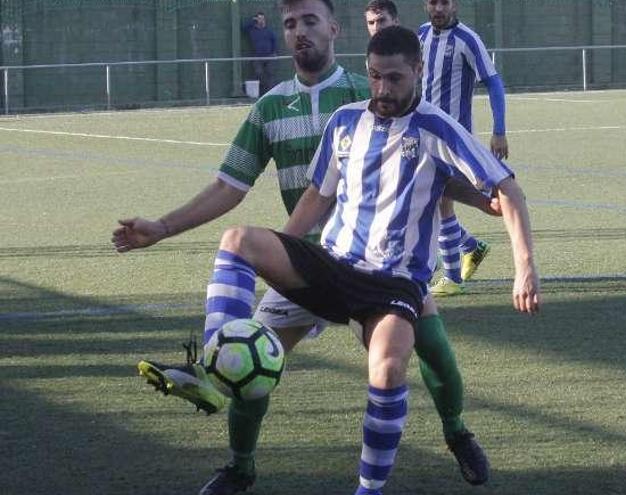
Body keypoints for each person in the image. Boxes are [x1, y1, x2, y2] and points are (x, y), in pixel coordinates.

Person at [113, 1, 493, 493]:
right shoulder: (269, 107)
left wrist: (484, 199)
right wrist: (162, 227)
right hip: (303, 262)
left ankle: (456, 432)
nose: (299, 32)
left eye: (310, 21)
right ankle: (240, 465)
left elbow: (433, 168)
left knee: (435, 354)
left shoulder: (374, 89)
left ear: (335, 29)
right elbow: (229, 186)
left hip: (380, 265)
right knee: (248, 361)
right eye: (290, 23)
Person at [194, 25, 539, 495]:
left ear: (417, 70)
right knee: (241, 266)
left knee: (399, 364)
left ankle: (412, 461)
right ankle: (234, 437)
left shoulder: (437, 127)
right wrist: (285, 256)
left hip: (393, 283)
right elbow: (317, 195)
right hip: (332, 263)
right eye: (375, 77)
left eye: (394, 78)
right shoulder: (345, 120)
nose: (382, 89)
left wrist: (524, 268)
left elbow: (508, 188)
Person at [420, 0, 510, 297]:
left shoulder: (467, 40)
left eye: (444, 2)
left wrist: (499, 131)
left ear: (454, 5)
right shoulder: (421, 35)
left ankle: (452, 276)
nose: (438, 9)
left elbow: (494, 83)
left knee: (440, 201)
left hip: (452, 140)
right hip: (421, 135)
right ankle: (470, 247)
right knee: (428, 202)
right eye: (433, 2)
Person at [241, 11, 278, 96]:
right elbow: (242, 27)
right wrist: (252, 20)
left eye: (263, 19)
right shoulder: (252, 30)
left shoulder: (269, 30)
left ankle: (271, 94)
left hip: (269, 56)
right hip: (257, 56)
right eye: (259, 19)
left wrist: (274, 52)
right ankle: (261, 92)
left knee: (270, 74)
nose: (261, 21)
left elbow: (274, 41)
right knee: (258, 73)